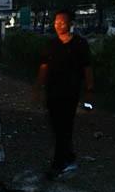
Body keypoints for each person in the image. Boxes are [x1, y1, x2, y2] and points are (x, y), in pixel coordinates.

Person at [31, 9, 94, 180]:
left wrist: (89, 91)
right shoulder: (51, 45)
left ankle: (58, 164)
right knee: (56, 127)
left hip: (70, 92)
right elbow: (43, 68)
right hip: (52, 91)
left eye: (62, 22)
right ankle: (69, 157)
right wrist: (37, 89)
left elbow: (87, 68)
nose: (58, 25)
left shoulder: (80, 44)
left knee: (64, 127)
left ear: (71, 24)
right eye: (56, 22)